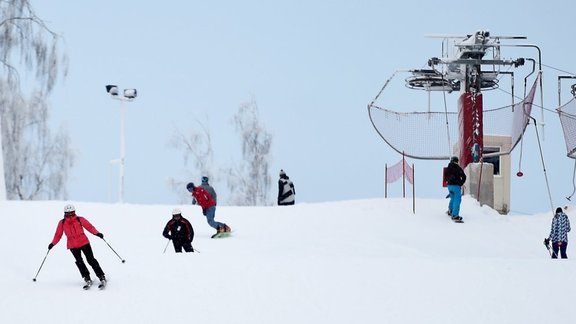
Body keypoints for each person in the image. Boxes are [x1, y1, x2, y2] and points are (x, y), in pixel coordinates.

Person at [48, 204, 106, 287]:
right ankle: (87, 278)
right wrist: (52, 243)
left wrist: (97, 233)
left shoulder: (80, 219)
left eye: (72, 213)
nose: (70, 215)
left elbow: (90, 227)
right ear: (65, 213)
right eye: (68, 213)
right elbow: (58, 235)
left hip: (84, 243)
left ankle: (101, 276)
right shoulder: (62, 223)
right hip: (73, 246)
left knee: (91, 260)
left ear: (74, 212)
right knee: (79, 262)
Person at [445, 156, 466, 221]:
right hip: (456, 186)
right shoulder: (458, 168)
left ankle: (450, 210)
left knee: (453, 198)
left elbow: (445, 176)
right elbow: (464, 177)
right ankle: (455, 215)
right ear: (457, 161)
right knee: (457, 199)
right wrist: (460, 183)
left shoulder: (448, 168)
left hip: (449, 186)